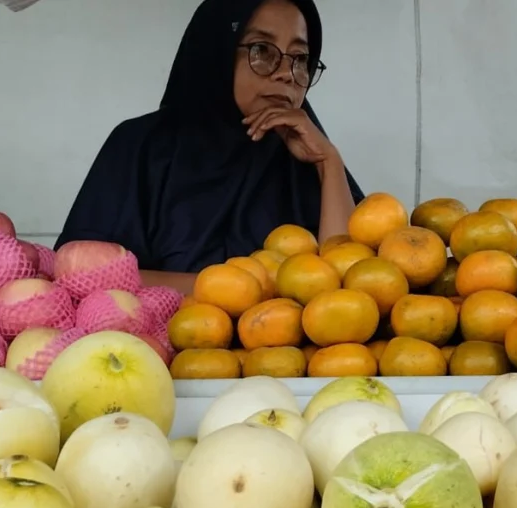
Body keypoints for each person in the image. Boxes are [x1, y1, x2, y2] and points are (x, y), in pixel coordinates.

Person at [56, 0, 364, 293]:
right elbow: (81, 276)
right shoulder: (140, 147)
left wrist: (328, 164)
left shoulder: (303, 154)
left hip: (284, 347)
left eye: (300, 58)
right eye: (262, 50)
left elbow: (352, 286)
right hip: (145, 345)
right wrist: (247, 292)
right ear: (217, 52)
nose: (286, 73)